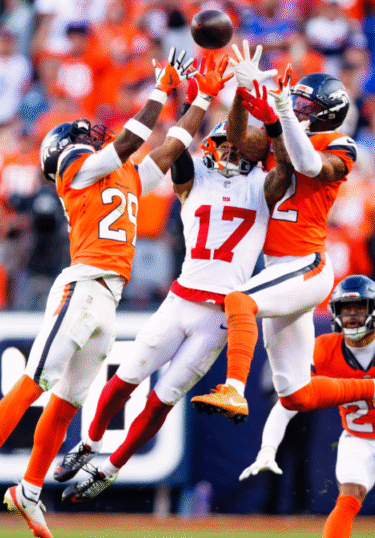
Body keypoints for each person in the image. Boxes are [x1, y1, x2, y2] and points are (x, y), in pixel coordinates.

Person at [0, 48, 203, 537]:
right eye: (82, 136)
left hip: (109, 297)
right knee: (36, 380)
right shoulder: (75, 168)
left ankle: (28, 490)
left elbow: (170, 148)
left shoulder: (124, 175)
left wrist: (202, 98)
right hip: (83, 285)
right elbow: (130, 139)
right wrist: (161, 89)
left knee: (68, 401)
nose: (92, 136)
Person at [54, 62, 291, 502]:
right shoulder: (194, 176)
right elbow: (177, 145)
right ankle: (89, 444)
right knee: (126, 378)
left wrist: (257, 110)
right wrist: (198, 98)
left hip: (220, 315)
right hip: (181, 300)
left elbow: (286, 168)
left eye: (240, 150)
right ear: (213, 146)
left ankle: (111, 467)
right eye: (226, 146)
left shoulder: (264, 184)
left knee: (162, 399)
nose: (232, 156)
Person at [190, 43, 375, 438]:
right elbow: (236, 138)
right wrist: (242, 93)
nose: (296, 107)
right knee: (295, 395)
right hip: (280, 267)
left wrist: (284, 115)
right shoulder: (278, 136)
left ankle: (234, 389)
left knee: (239, 301)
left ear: (327, 114)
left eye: (306, 106)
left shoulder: (340, 143)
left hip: (307, 263)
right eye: (296, 102)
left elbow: (307, 164)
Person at [241, 276, 375, 538]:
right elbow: (287, 405)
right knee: (350, 497)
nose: (351, 315)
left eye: (359, 308)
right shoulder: (323, 350)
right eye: (344, 309)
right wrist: (268, 448)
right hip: (357, 440)